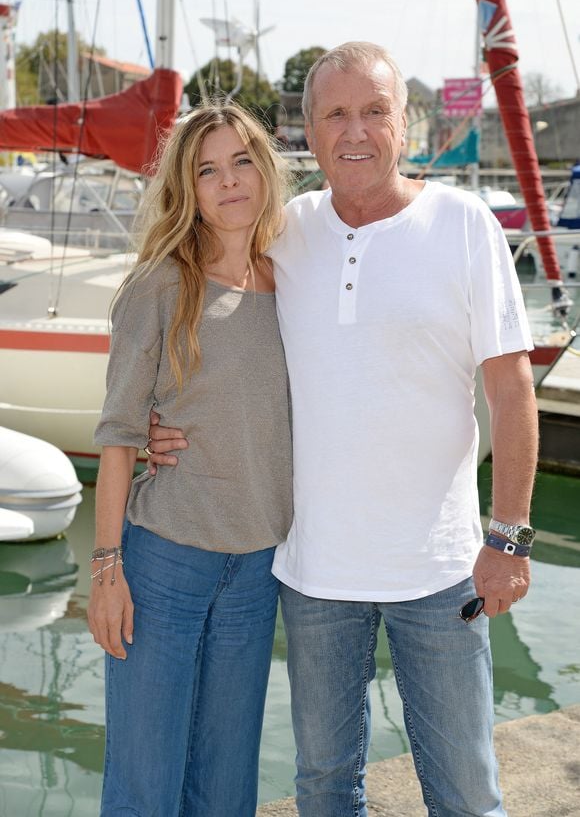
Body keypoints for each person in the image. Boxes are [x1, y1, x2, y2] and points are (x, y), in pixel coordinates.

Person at [147, 42, 538, 817]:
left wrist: (512, 536)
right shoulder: (284, 231)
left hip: (441, 570)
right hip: (314, 572)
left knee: (465, 793)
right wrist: (164, 419)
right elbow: (213, 326)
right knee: (324, 789)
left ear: (405, 124)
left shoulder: (462, 223)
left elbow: (513, 390)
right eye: (335, 113)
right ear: (309, 130)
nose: (354, 130)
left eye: (374, 110)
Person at [87, 103, 293, 817]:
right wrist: (107, 569)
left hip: (257, 572)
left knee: (226, 789)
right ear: (188, 187)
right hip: (164, 566)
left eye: (241, 161)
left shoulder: (295, 280)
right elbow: (116, 434)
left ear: (265, 170)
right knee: (145, 788)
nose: (228, 181)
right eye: (208, 169)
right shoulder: (160, 286)